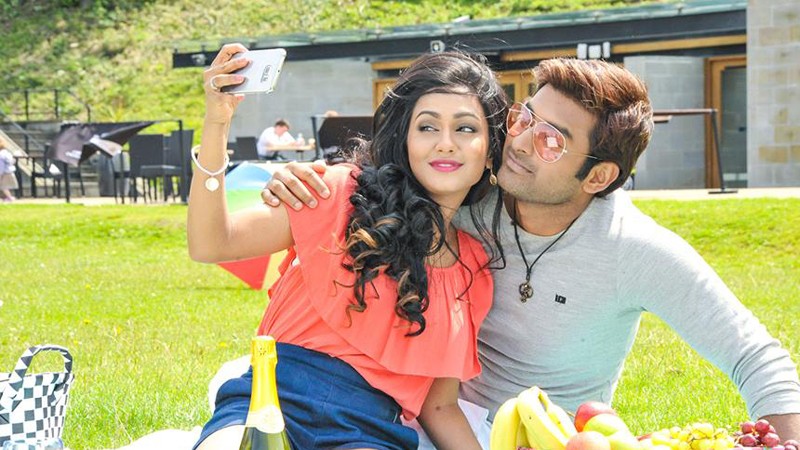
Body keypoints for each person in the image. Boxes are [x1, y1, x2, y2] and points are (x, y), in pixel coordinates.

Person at [260, 57, 800, 444]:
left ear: (598, 176)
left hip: (546, 436)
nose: (518, 142)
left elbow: (755, 356)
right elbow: (385, 183)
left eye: (551, 140)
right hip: (423, 422)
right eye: (524, 119)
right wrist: (302, 182)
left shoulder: (635, 250)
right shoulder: (467, 201)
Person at [187, 43, 509, 450]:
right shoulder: (341, 193)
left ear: (490, 152)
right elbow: (212, 242)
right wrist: (216, 123)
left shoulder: (472, 271)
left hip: (367, 432)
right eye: (427, 127)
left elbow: (440, 406)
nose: (445, 143)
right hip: (267, 402)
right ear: (405, 141)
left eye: (466, 129)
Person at [0, 136, 19, 203]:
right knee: (4, 186)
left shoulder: (1, 154)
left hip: (5, 172)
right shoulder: (6, 152)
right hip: (9, 171)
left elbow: (1, 165)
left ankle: (9, 197)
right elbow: (11, 161)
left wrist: (0, 173)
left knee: (4, 186)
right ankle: (8, 197)